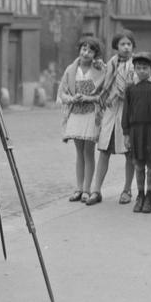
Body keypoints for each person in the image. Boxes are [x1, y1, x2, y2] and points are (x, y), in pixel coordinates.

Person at [88, 30, 137, 205]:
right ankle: (96, 190)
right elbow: (104, 81)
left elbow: (135, 89)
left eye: (129, 44)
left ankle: (127, 190)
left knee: (129, 152)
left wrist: (120, 93)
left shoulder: (135, 65)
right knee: (104, 150)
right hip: (110, 111)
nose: (125, 47)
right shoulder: (112, 63)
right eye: (122, 44)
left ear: (133, 47)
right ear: (116, 47)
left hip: (127, 110)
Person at [57, 37, 106, 204]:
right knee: (79, 152)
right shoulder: (71, 70)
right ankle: (78, 188)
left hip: (91, 114)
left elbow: (104, 94)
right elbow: (62, 92)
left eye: (90, 50)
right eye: (83, 49)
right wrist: (71, 99)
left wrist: (88, 97)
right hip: (76, 113)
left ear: (95, 54)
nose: (86, 53)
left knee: (88, 152)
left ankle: (87, 189)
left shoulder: (100, 70)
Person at [122, 51, 151, 214]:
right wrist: (126, 134)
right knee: (138, 165)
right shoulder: (130, 89)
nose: (142, 71)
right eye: (138, 68)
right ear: (134, 68)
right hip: (136, 131)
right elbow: (126, 112)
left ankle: (149, 196)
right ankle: (140, 195)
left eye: (145, 68)